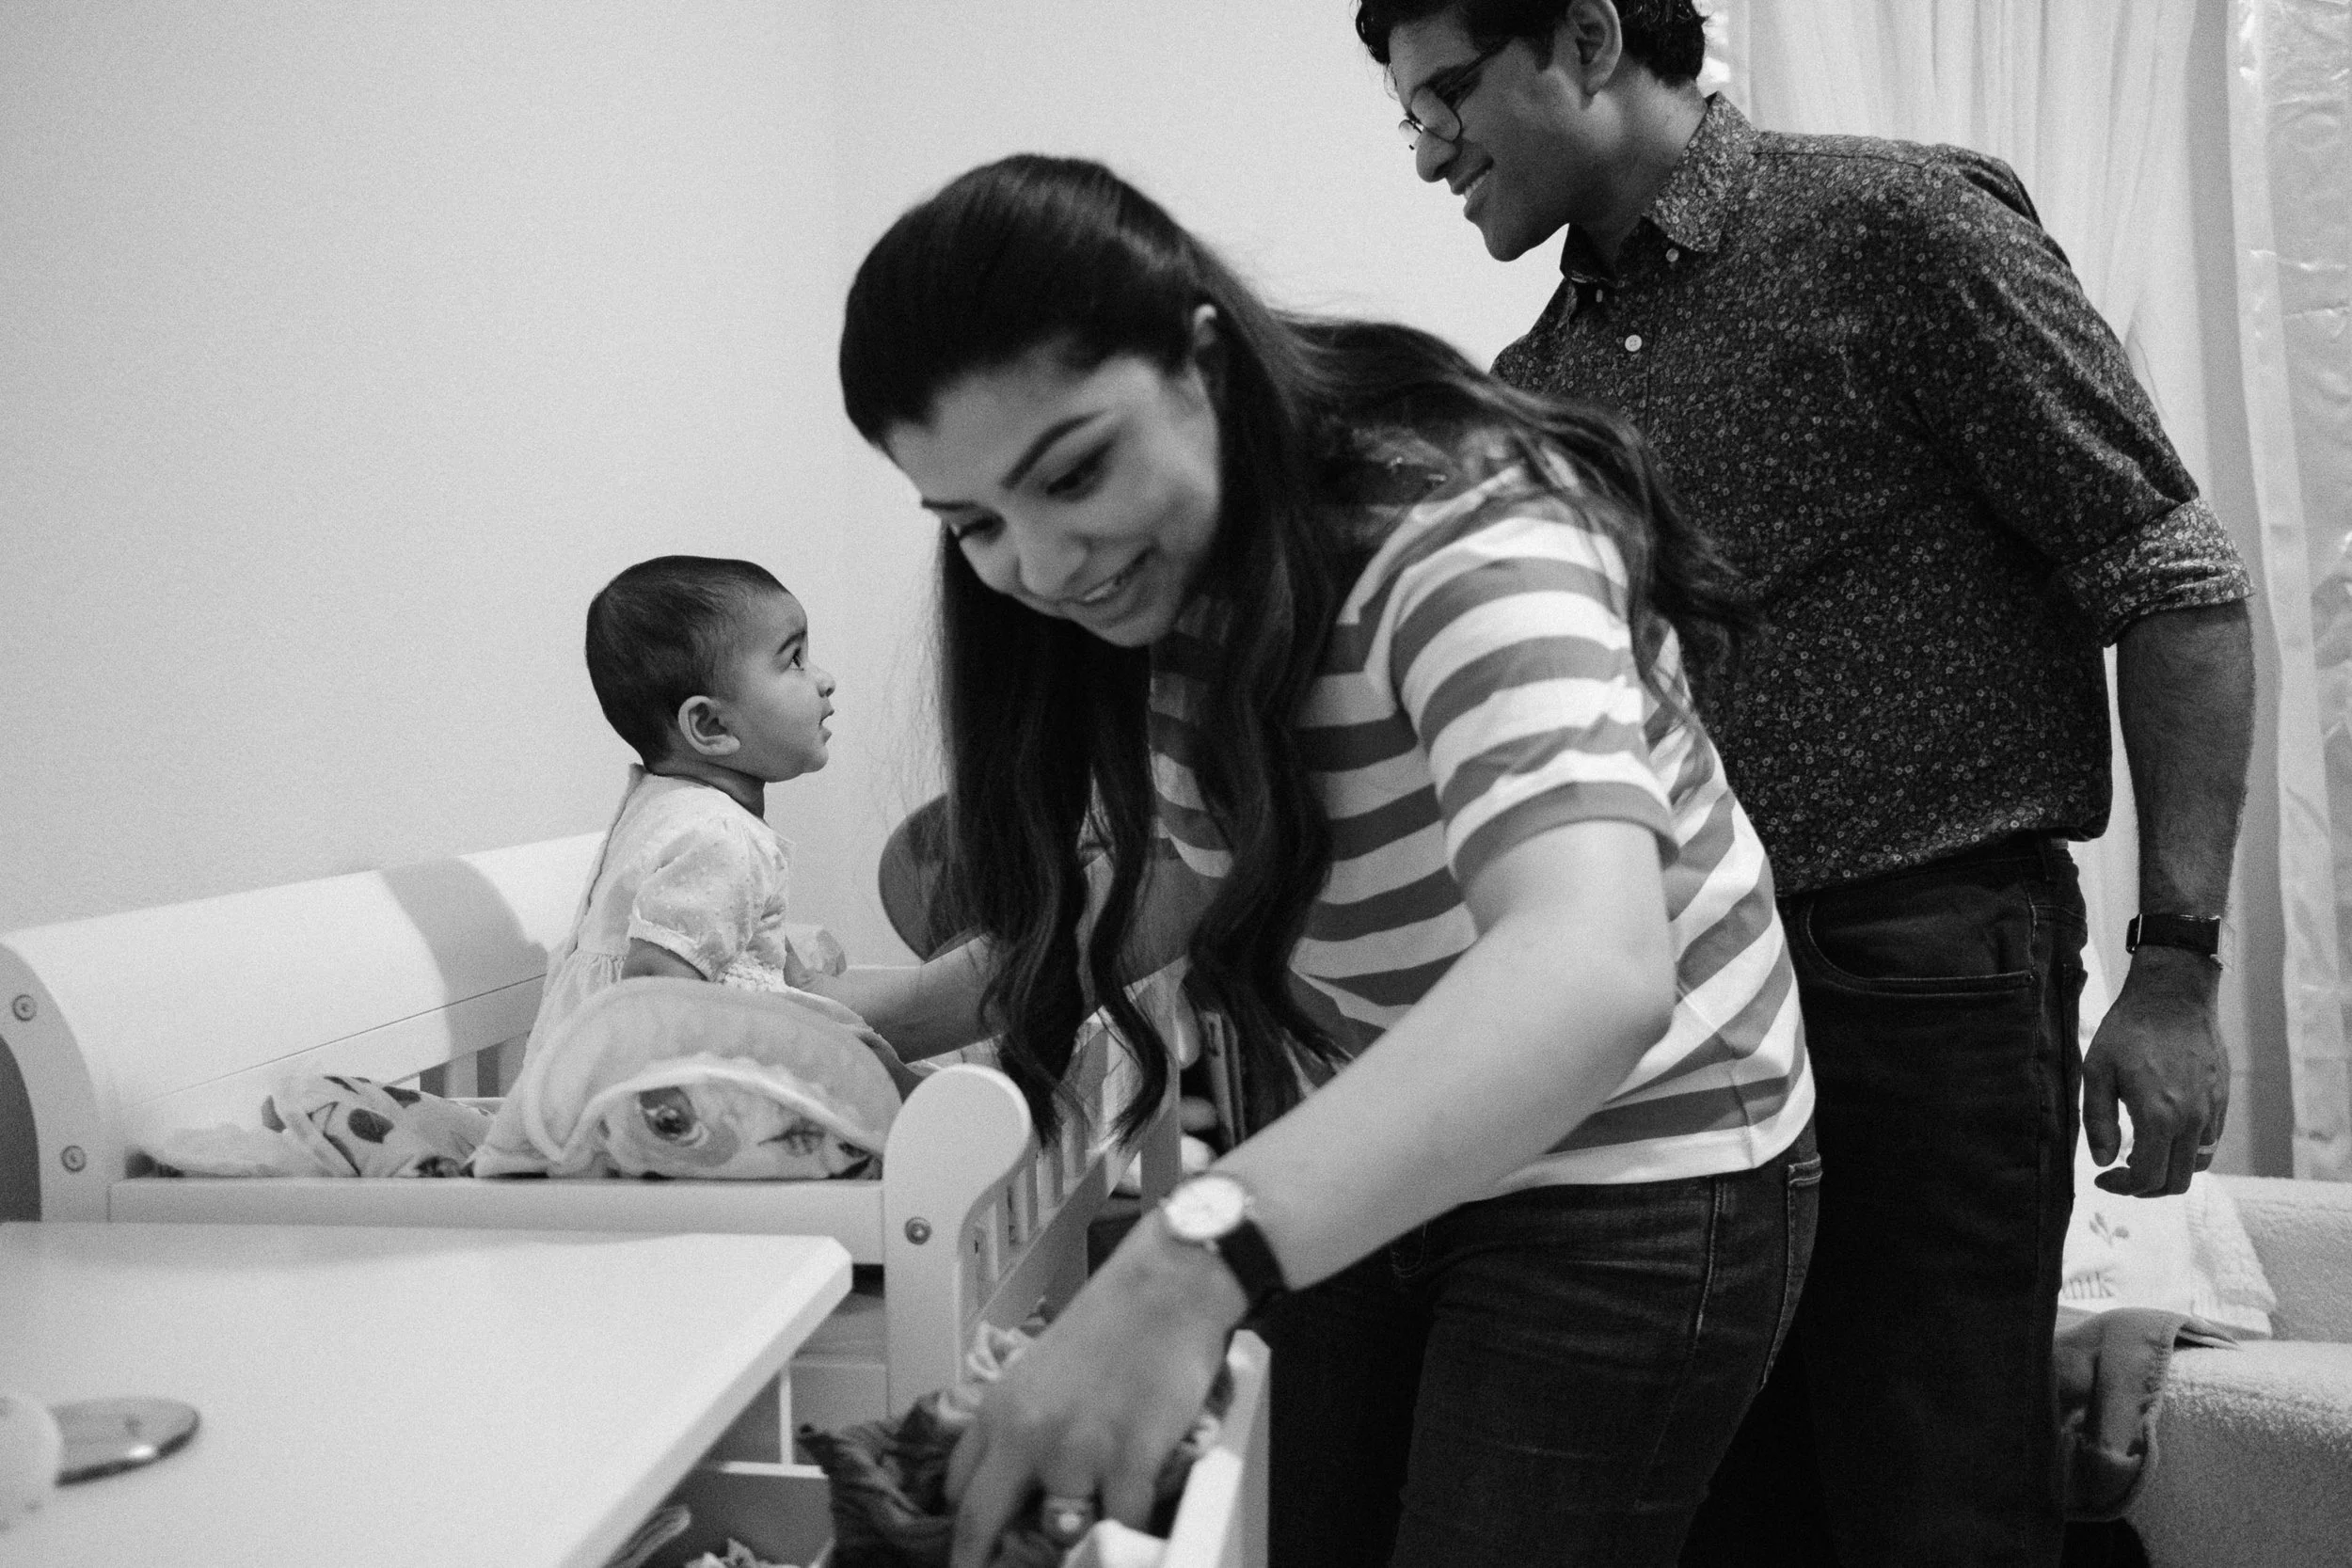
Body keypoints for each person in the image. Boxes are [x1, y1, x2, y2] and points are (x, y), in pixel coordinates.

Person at [1351, 3, 2259, 1563]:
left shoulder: (1893, 229)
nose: (1421, 143)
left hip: (1923, 978)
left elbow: (2172, 574)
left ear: (1582, 35)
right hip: (1689, 1022)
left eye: (1447, 92)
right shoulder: (1539, 382)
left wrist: (2175, 965)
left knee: (1936, 1498)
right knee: (1737, 1515)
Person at [829, 153, 1817, 1568]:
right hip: (1399, 1124)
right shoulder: (1182, 574)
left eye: (1074, 471)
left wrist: (1186, 1255)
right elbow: (1194, 864)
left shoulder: (1467, 537)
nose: (1041, 566)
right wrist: (901, 1011)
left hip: (1642, 1162)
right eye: (976, 525)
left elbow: (1591, 967)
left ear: (1202, 360)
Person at [520, 554, 839, 1062]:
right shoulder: (718, 834)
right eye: (794, 660)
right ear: (712, 727)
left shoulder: (659, 808)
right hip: (638, 1108)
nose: (824, 679)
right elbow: (656, 1000)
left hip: (578, 1085)